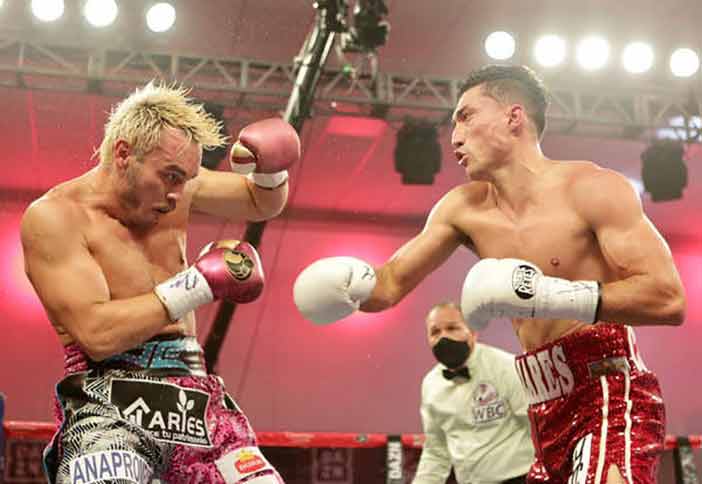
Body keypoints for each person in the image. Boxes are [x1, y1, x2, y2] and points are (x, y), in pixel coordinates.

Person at [293, 64, 686, 484]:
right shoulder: (461, 208)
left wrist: (547, 295)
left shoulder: (592, 188)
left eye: (466, 116)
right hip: (541, 408)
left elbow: (668, 299)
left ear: (513, 117)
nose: (454, 136)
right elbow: (388, 285)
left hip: (608, 391)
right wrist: (346, 284)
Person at [21, 82, 300, 484]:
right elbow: (97, 335)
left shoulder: (178, 186)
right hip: (108, 397)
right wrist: (199, 282)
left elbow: (260, 201)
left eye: (186, 179)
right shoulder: (55, 218)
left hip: (193, 394)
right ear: (122, 154)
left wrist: (271, 170)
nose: (176, 194)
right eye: (169, 176)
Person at [413, 302, 533, 484]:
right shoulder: (431, 385)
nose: (443, 337)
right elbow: (436, 451)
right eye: (435, 332)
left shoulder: (506, 367)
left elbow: (537, 426)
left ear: (473, 332)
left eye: (452, 328)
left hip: (520, 478)